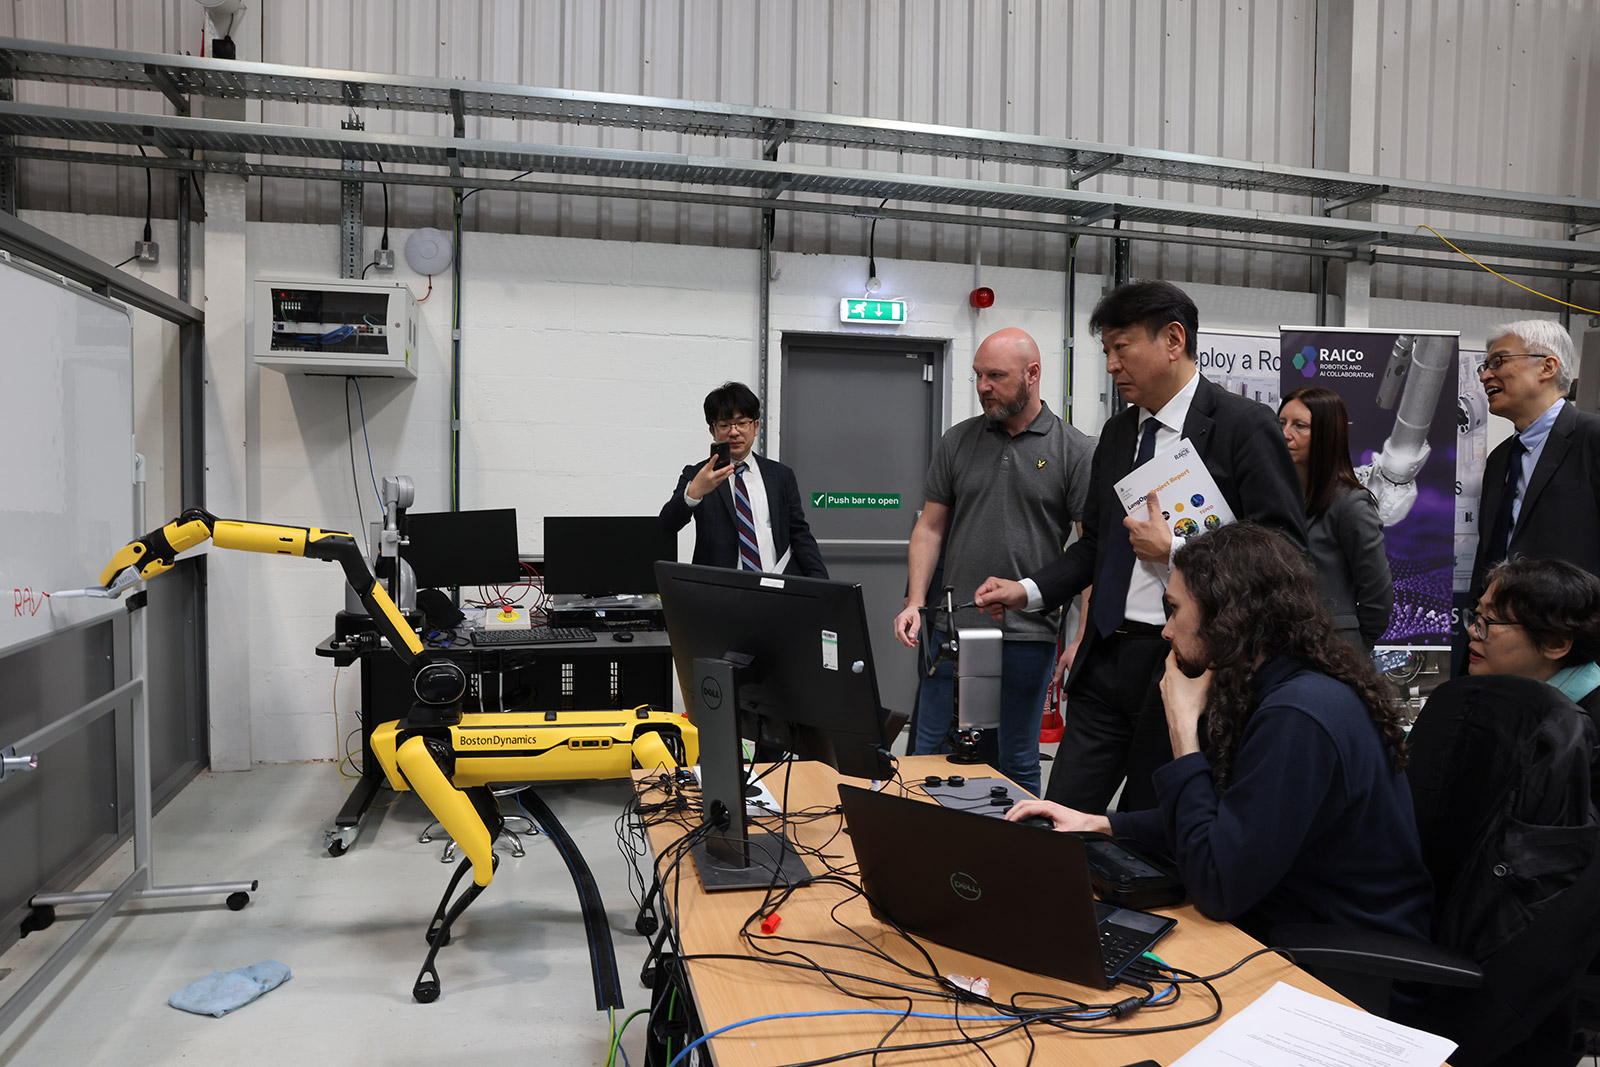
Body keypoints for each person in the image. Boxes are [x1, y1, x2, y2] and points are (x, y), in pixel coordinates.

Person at [1006, 522, 1432, 944]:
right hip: (1289, 919)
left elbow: (1218, 886)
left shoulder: (1297, 715)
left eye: (1174, 609)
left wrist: (1182, 728)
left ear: (1226, 615)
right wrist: (1101, 825)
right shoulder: (1278, 684)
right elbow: (1231, 820)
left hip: (1332, 956)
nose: (1166, 631)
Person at [973, 280, 1307, 815]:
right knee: (1060, 816)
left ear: (1173, 340)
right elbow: (1097, 546)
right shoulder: (1117, 434)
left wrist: (1175, 549)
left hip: (1188, 663)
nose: (1111, 365)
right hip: (1106, 659)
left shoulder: (1243, 427)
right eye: (1106, 350)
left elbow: (1284, 550)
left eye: (1121, 348)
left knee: (1151, 826)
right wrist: (1028, 591)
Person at [892, 328, 1093, 796]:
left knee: (1017, 758)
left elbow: (1091, 551)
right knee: (926, 751)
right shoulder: (958, 441)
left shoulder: (1075, 450)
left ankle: (1018, 842)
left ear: (1033, 374)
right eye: (978, 375)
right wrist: (915, 602)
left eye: (996, 376)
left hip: (1029, 634)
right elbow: (930, 528)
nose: (983, 386)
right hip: (951, 629)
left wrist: (1082, 636)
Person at [1469, 319, 1600, 605]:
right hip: (1499, 622)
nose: (1485, 376)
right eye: (1484, 367)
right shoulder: (1499, 459)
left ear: (1547, 367)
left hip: (1571, 624)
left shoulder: (1592, 439)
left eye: (1498, 362)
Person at [659, 381, 827, 579]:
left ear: (755, 426)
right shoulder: (697, 475)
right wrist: (693, 493)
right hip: (720, 589)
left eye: (741, 423)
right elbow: (667, 525)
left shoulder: (781, 475)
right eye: (724, 425)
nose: (734, 432)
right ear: (713, 431)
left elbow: (799, 533)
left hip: (775, 585)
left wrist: (821, 581)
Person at [1278, 386, 1393, 652]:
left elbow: (1377, 593)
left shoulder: (1351, 504)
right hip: (1280, 649)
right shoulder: (1277, 498)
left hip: (1334, 652)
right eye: (1281, 423)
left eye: (1299, 426)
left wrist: (1355, 645)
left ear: (1326, 434)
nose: (1285, 434)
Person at [1466, 557, 1600, 720]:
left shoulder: (1589, 725)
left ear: (1555, 644)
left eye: (1491, 620)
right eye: (1478, 615)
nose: (1473, 631)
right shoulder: (1496, 698)